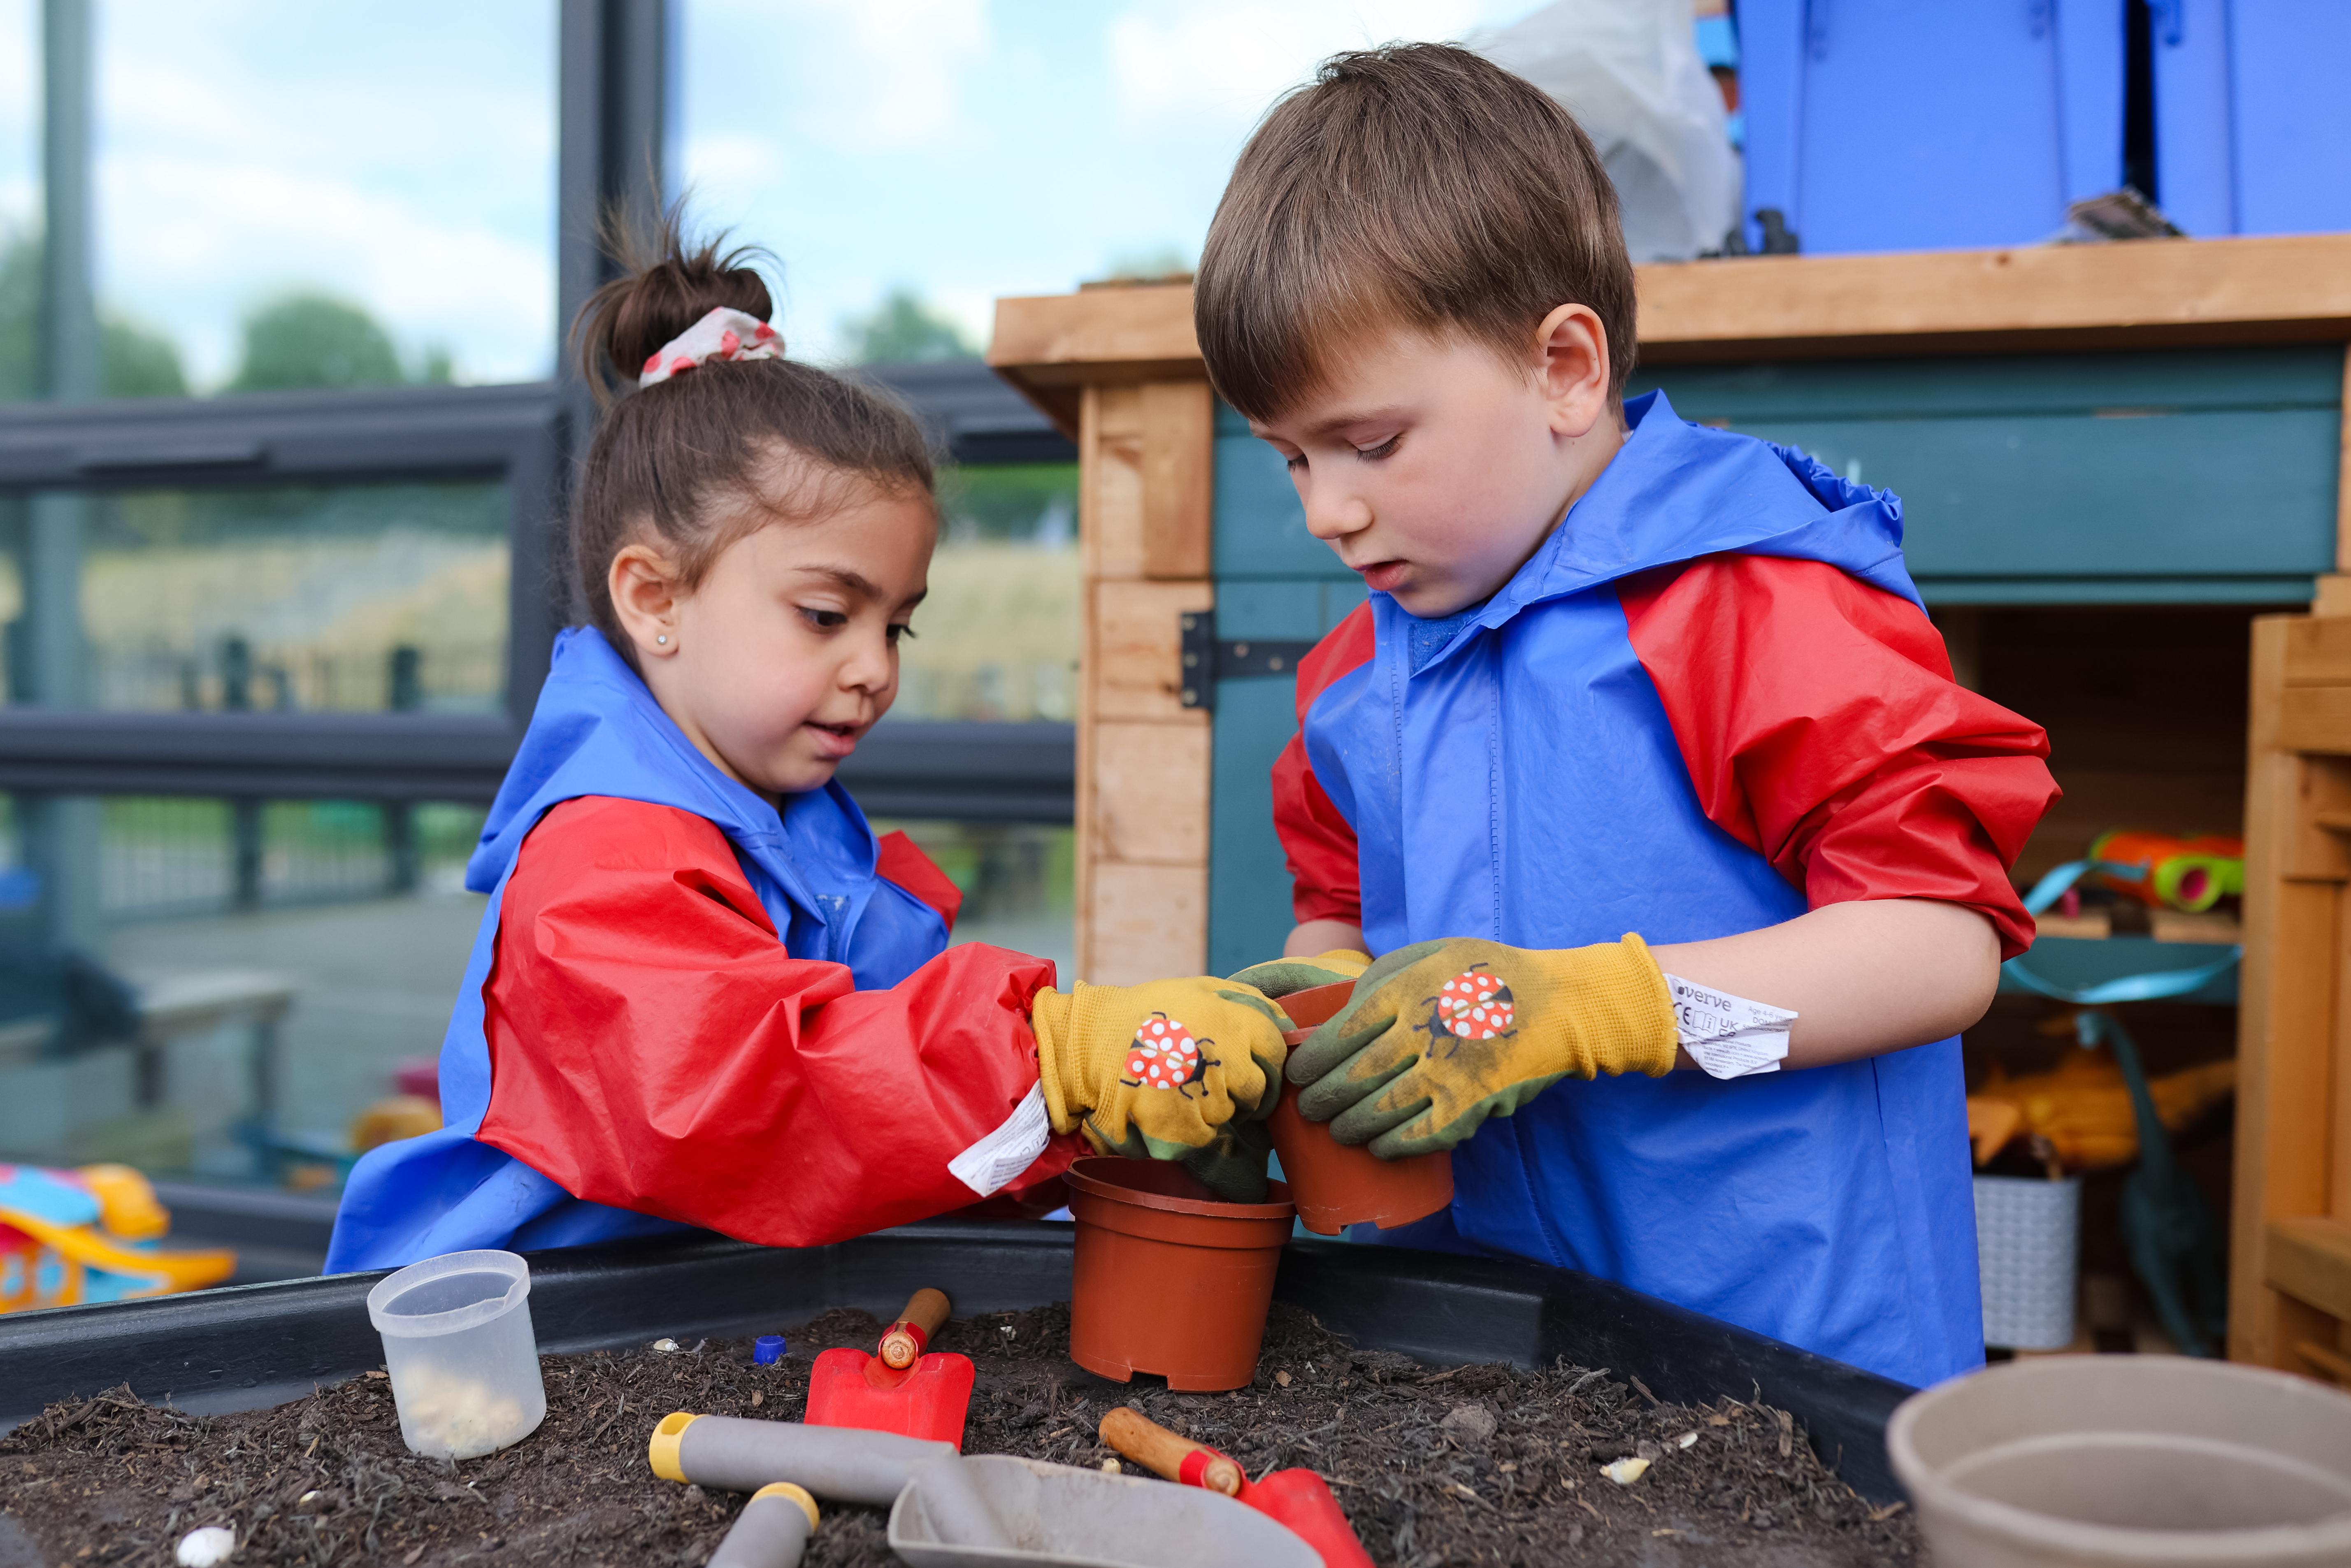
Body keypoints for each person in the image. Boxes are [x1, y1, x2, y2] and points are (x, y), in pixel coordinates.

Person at [1200, 46, 2058, 1388]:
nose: (1327, 511)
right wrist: (1304, 1008)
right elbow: (1341, 922)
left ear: (1562, 369)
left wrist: (1606, 1003)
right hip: (1498, 1342)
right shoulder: (1350, 683)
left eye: (1369, 444)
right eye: (1290, 457)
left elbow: (1942, 952)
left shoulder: (1749, 606)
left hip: (1791, 1350)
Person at [327, 220, 1289, 1273]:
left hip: (703, 1313)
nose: (876, 666)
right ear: (655, 597)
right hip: (542, 1329)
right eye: (828, 615)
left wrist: (1115, 1116)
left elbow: (892, 1107)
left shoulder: (800, 839)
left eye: (898, 624)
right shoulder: (601, 857)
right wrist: (1052, 1060)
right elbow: (759, 1094)